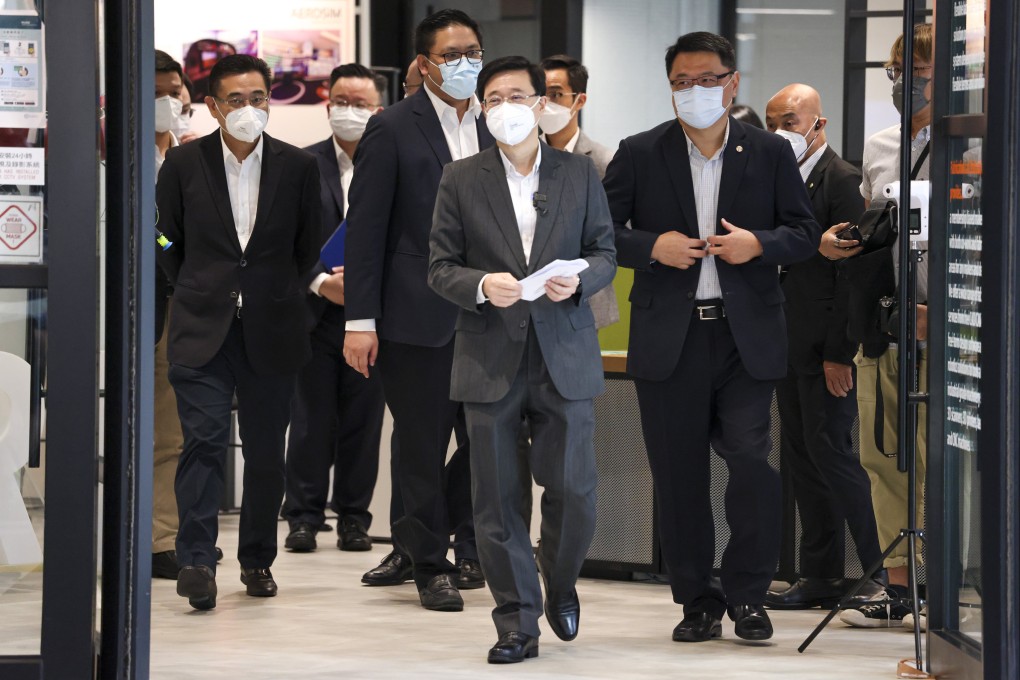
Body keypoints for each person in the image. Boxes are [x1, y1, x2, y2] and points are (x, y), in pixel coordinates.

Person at [602, 31, 820, 643]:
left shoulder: (770, 153)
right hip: (670, 339)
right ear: (669, 87)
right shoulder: (640, 152)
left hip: (744, 338)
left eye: (707, 79)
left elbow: (803, 233)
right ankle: (696, 599)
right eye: (681, 82)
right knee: (679, 476)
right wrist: (652, 247)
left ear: (732, 82)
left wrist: (759, 245)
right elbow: (599, 232)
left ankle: (749, 594)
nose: (695, 92)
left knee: (752, 462)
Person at [429, 55, 616, 663]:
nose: (504, 107)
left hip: (564, 349)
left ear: (541, 104)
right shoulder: (460, 177)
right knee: (497, 498)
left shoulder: (579, 173)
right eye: (493, 99)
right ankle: (516, 619)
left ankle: (558, 582)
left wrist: (581, 278)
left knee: (575, 490)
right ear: (482, 110)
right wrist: (483, 285)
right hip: (489, 355)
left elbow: (605, 251)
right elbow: (440, 267)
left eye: (517, 95)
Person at [156, 54, 320, 610]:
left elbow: (308, 249)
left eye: (258, 99)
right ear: (212, 106)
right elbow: (165, 241)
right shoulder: (182, 166)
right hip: (201, 327)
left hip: (272, 330)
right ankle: (197, 559)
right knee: (201, 442)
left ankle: (256, 559)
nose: (248, 109)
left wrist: (274, 294)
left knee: (266, 451)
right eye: (235, 100)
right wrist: (198, 286)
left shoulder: (298, 167)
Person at [342, 9, 494, 612]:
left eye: (473, 53)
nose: (466, 65)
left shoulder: (498, 125)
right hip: (415, 315)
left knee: (492, 442)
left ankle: (447, 537)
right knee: (422, 444)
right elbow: (367, 229)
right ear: (425, 65)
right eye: (452, 55)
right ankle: (429, 564)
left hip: (489, 312)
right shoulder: (393, 127)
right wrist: (360, 320)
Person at [762, 84, 886, 610]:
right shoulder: (774, 178)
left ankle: (882, 577)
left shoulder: (843, 180)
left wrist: (840, 351)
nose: (779, 132)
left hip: (827, 348)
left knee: (834, 455)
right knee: (803, 458)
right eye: (772, 123)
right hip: (785, 342)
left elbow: (852, 276)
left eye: (789, 120)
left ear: (819, 122)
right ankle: (820, 576)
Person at [828, 24, 933, 631]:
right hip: (885, 326)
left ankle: (948, 584)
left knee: (941, 464)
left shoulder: (977, 142)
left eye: (918, 73)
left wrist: (939, 312)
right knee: (883, 458)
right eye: (898, 73)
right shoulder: (881, 144)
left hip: (953, 329)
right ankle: (900, 590)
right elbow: (877, 235)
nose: (905, 84)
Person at [280, 64, 386, 555]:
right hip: (314, 316)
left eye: (360, 104)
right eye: (341, 101)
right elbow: (284, 245)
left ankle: (353, 518)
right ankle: (302, 516)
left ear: (378, 110)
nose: (349, 111)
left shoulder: (392, 164)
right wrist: (322, 284)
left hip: (376, 318)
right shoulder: (301, 166)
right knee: (310, 422)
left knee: (363, 425)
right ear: (327, 106)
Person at [538, 54, 619, 329]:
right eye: (540, 94)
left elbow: (612, 238)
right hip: (530, 300)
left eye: (556, 95)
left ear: (579, 100)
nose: (546, 103)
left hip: (584, 301)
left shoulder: (603, 161)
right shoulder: (522, 156)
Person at [151, 49, 186, 581]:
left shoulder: (190, 157)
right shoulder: (102, 156)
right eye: (155, 91)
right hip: (119, 306)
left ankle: (164, 537)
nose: (166, 100)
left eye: (172, 91)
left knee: (173, 432)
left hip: (179, 307)